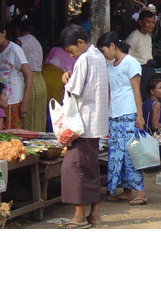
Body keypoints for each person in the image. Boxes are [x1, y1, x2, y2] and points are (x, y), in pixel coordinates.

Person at [59, 24, 109, 229]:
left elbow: (75, 89)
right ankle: (94, 215)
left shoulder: (85, 59)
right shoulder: (98, 56)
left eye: (71, 51)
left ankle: (79, 215)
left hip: (82, 124)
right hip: (93, 122)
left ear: (80, 43)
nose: (71, 56)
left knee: (73, 167)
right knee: (90, 168)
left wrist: (65, 79)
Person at [96, 31, 147, 206]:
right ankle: (127, 191)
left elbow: (136, 90)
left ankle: (140, 192)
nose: (104, 55)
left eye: (103, 51)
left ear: (112, 46)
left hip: (129, 113)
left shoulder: (131, 63)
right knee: (117, 154)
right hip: (114, 114)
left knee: (132, 153)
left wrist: (139, 115)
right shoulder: (110, 66)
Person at [11, 15, 47, 132]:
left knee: (27, 120)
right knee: (38, 119)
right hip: (41, 82)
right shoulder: (36, 41)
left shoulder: (19, 42)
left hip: (29, 83)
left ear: (17, 28)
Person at [0, 20, 32, 130]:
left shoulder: (14, 50)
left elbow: (28, 76)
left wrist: (24, 103)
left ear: (4, 33)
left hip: (13, 101)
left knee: (12, 134)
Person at [125, 9, 157, 100]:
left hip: (149, 69)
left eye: (153, 22)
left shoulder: (148, 36)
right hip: (140, 71)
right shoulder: (134, 37)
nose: (151, 25)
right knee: (142, 96)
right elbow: (127, 58)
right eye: (148, 22)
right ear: (140, 22)